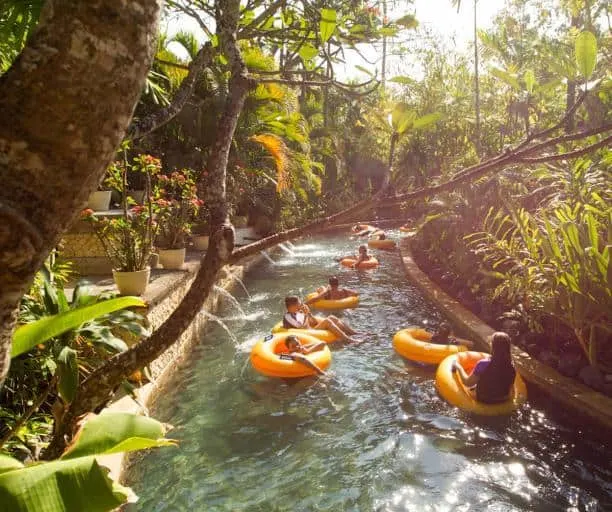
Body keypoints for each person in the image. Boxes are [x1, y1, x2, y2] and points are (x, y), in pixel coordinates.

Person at [452, 332, 516, 404]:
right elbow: (510, 387)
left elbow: (467, 383)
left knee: (472, 386)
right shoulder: (511, 366)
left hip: (484, 398)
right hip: (503, 399)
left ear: (493, 346)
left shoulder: (483, 364)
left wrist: (458, 367)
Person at [283, 296, 358, 342]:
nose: (302, 304)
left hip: (310, 329)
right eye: (299, 303)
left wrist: (309, 314)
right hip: (306, 333)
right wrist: (306, 315)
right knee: (327, 321)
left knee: (332, 317)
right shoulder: (288, 317)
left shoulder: (299, 312)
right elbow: (302, 328)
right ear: (292, 306)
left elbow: (314, 323)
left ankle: (353, 333)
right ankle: (348, 340)